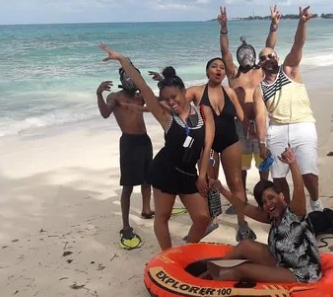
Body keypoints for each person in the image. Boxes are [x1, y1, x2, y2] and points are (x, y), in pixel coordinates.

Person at [99, 43, 215, 251]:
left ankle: (186, 250)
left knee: (202, 218)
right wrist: (122, 60)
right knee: (162, 216)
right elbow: (143, 86)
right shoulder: (165, 116)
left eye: (174, 97)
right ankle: (168, 255)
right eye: (166, 99)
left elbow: (207, 146)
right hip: (165, 172)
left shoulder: (203, 112)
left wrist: (202, 175)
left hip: (189, 173)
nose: (171, 102)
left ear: (184, 91)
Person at [150, 57, 254, 241]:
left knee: (236, 183)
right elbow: (175, 100)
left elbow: (241, 116)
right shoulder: (196, 91)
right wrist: (164, 83)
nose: (218, 70)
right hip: (207, 145)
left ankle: (242, 223)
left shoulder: (229, 92)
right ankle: (211, 220)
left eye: (222, 67)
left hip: (230, 141)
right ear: (207, 71)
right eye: (214, 66)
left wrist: (256, 136)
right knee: (208, 183)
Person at [203, 145, 322, 283]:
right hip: (282, 261)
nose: (268, 203)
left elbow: (299, 187)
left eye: (271, 198)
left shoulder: (295, 213)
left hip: (303, 273)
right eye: (264, 202)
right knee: (245, 245)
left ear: (281, 196)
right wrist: (221, 189)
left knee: (243, 270)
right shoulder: (272, 217)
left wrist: (293, 163)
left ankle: (207, 285)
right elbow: (243, 207)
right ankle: (208, 274)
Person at [254, 5, 324, 212]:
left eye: (271, 56)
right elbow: (260, 117)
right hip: (277, 130)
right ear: (259, 64)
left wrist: (302, 23)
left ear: (277, 58)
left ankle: (315, 203)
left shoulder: (289, 71)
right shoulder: (260, 88)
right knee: (278, 176)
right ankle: (289, 210)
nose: (267, 59)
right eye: (263, 58)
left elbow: (298, 45)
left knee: (308, 172)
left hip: (303, 125)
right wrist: (261, 143)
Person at [217, 6, 278, 200]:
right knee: (241, 165)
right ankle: (241, 196)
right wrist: (224, 28)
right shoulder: (233, 74)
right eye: (242, 54)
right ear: (238, 57)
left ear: (253, 55)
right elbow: (225, 52)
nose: (246, 57)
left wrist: (273, 26)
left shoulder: (260, 71)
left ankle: (264, 194)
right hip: (239, 125)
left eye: (249, 54)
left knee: (263, 162)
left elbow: (270, 48)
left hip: (260, 123)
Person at [96, 65, 154, 250]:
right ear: (121, 79)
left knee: (148, 179)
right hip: (129, 143)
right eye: (127, 76)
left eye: (134, 76)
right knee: (128, 185)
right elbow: (105, 113)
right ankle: (126, 225)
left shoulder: (140, 96)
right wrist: (99, 94)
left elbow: (157, 102)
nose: (130, 80)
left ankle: (146, 210)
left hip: (144, 140)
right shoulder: (115, 97)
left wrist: (162, 81)